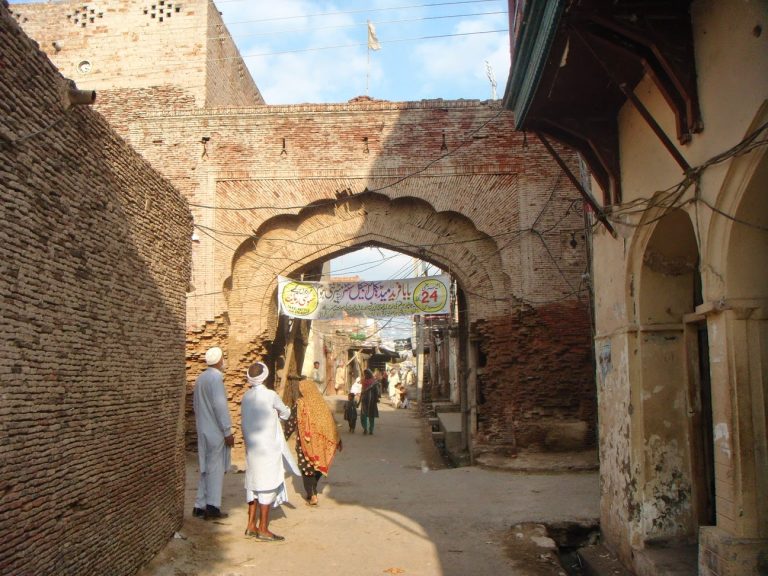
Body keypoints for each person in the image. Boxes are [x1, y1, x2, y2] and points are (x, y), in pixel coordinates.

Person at [241, 362, 300, 542]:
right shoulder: (270, 395)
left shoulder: (246, 397)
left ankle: (250, 525)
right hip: (268, 448)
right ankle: (263, 528)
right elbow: (286, 413)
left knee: (253, 485)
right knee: (266, 485)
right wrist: (285, 411)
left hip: (252, 447)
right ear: (265, 376)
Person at [284, 379, 343, 506]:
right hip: (321, 445)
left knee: (306, 468)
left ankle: (312, 494)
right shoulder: (322, 404)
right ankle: (313, 489)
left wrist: (283, 438)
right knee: (318, 466)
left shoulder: (300, 404)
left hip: (305, 444)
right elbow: (331, 423)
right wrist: (337, 439)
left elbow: (291, 422)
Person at [192, 346, 235, 520]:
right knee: (215, 469)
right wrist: (227, 431)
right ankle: (212, 507)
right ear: (219, 361)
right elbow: (220, 406)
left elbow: (196, 404)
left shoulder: (201, 378)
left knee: (206, 468)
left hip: (203, 428)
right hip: (215, 431)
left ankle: (199, 505)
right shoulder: (216, 379)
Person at [359, 369, 380, 435]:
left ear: (369, 374)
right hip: (366, 400)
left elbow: (376, 392)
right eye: (365, 374)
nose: (366, 375)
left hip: (371, 400)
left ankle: (370, 429)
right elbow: (362, 391)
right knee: (365, 415)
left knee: (370, 415)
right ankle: (366, 428)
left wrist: (376, 399)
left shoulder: (373, 382)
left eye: (367, 374)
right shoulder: (369, 381)